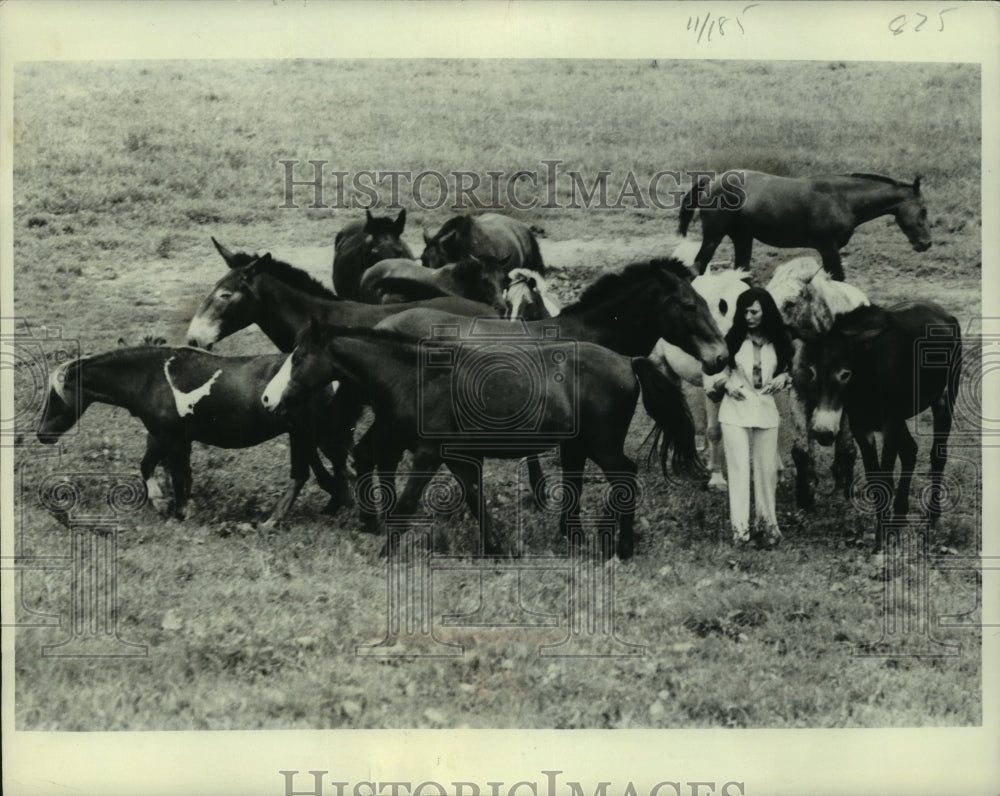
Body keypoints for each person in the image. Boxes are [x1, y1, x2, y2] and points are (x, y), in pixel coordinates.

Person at [712, 286, 793, 547]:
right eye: (745, 311)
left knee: (767, 470)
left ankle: (768, 527)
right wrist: (727, 384)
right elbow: (714, 373)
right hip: (735, 409)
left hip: (766, 410)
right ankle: (741, 532)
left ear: (765, 312)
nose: (749, 316)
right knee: (737, 468)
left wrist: (784, 377)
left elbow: (791, 371)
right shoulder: (732, 339)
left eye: (754, 311)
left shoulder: (779, 341)